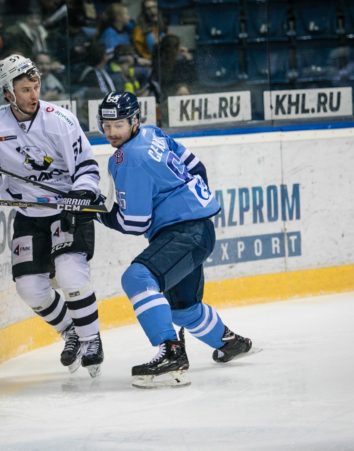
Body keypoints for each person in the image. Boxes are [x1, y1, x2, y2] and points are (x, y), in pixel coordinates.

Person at [95, 91, 253, 388]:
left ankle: (171, 354)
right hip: (199, 230)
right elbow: (197, 167)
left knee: (138, 278)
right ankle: (229, 341)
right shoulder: (153, 134)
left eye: (118, 125)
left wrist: (99, 214)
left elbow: (134, 223)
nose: (112, 132)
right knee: (183, 309)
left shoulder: (128, 157)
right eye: (106, 125)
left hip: (184, 233)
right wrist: (188, 202)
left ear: (134, 120)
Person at [0, 54, 104, 377]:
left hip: (67, 210)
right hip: (29, 214)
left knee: (70, 276)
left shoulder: (60, 120)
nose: (33, 95)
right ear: (7, 93)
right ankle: (71, 331)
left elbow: (86, 165)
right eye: (25, 89)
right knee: (29, 288)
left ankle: (91, 337)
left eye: (36, 86)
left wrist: (82, 192)